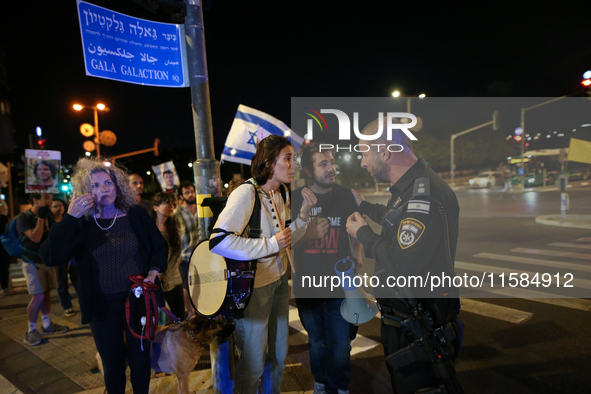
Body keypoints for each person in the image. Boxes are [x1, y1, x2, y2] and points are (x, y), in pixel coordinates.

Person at [345, 118, 461, 394]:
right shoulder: (410, 189)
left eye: (364, 153)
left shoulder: (424, 194)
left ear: (384, 152)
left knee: (418, 387)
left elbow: (405, 260)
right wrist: (365, 206)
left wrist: (362, 233)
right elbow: (394, 220)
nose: (362, 162)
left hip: (419, 321)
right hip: (408, 314)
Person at [40, 158, 168, 394]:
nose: (104, 189)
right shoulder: (81, 222)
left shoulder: (136, 215)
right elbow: (50, 256)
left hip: (137, 301)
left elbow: (158, 247)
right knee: (113, 366)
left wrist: (152, 273)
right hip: (100, 305)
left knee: (140, 362)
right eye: (95, 186)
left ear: (117, 185)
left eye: (108, 183)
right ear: (85, 192)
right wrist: (70, 217)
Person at [210, 135, 314, 394]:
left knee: (278, 357)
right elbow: (219, 240)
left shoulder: (282, 191)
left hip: (279, 282)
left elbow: (285, 238)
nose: (294, 165)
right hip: (253, 289)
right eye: (288, 159)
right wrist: (270, 245)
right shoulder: (246, 193)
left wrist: (301, 218)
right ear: (269, 163)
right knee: (253, 363)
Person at [292, 143, 363, 394]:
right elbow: (286, 242)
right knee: (317, 344)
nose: (331, 168)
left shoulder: (345, 195)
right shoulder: (295, 199)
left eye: (332, 162)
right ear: (308, 171)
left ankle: (340, 387)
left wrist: (358, 266)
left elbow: (356, 236)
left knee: (341, 346)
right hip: (308, 289)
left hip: (340, 289)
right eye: (323, 164)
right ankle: (321, 383)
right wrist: (307, 234)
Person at [17, 192, 68, 346]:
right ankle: (31, 331)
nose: (50, 201)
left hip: (47, 261)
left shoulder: (49, 215)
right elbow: (35, 237)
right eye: (46, 198)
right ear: (35, 200)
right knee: (38, 296)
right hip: (32, 262)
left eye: (50, 198)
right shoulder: (24, 217)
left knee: (46, 294)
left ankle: (47, 325)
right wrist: (40, 217)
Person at [150, 192, 185, 321]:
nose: (171, 206)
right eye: (166, 203)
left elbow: (177, 252)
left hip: (173, 278)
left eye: (172, 203)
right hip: (155, 280)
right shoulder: (149, 228)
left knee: (179, 317)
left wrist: (165, 273)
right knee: (159, 320)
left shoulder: (172, 226)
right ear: (155, 207)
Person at [173, 181, 199, 317]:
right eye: (187, 192)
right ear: (182, 196)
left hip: (201, 254)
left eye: (192, 191)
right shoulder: (177, 213)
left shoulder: (200, 208)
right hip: (186, 255)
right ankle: (190, 312)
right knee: (186, 285)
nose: (190, 195)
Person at [51, 198, 78, 316]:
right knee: (62, 283)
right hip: (60, 257)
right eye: (55, 206)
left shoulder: (69, 219)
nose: (58, 208)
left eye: (60, 205)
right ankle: (66, 305)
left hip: (72, 257)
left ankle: (83, 302)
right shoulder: (49, 221)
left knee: (77, 281)